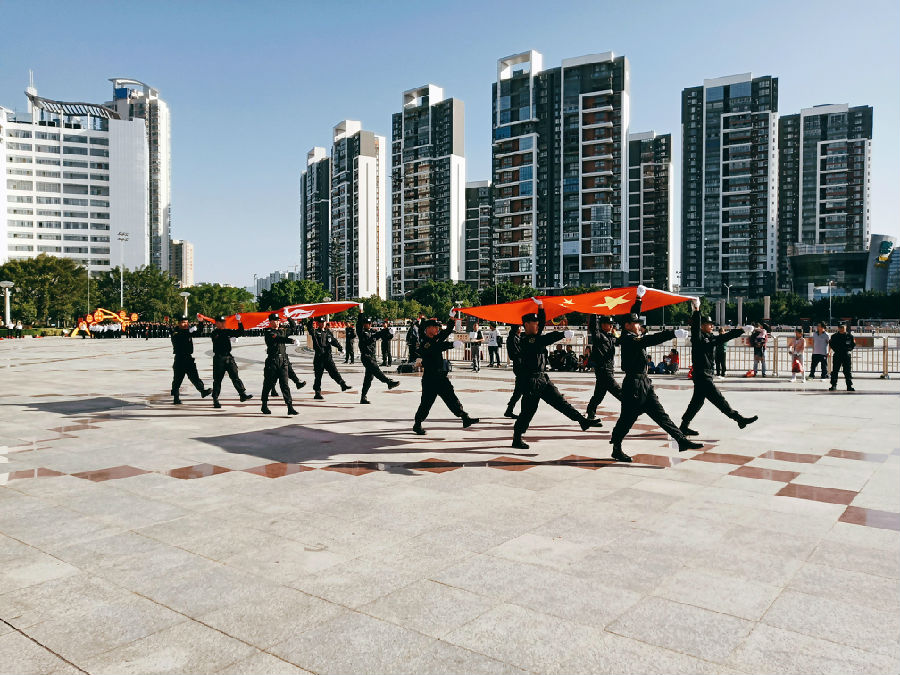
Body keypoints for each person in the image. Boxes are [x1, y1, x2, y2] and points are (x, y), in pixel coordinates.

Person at [609, 287, 704, 462]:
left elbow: (634, 315)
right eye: (636, 324)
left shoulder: (632, 333)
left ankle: (681, 440)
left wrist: (638, 299)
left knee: (661, 415)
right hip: (634, 385)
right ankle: (616, 447)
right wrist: (671, 333)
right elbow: (649, 339)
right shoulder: (628, 339)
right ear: (627, 326)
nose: (639, 326)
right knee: (627, 419)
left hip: (644, 383)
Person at [511, 300, 602, 450]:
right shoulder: (527, 340)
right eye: (534, 323)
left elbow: (541, 323)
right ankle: (517, 438)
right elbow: (545, 339)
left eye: (537, 323)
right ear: (526, 325)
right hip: (530, 381)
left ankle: (582, 421)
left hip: (542, 378)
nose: (537, 325)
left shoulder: (535, 334)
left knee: (561, 402)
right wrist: (562, 334)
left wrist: (541, 307)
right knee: (528, 412)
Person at [679, 304, 758, 437]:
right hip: (702, 375)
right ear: (702, 325)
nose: (712, 326)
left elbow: (724, 337)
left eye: (712, 324)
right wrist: (697, 311)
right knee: (719, 400)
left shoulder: (711, 337)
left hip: (707, 374)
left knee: (696, 403)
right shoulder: (698, 338)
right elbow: (695, 327)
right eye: (709, 324)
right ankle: (739, 419)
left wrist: (742, 330)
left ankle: (683, 426)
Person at [413, 313, 478, 435]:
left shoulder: (435, 338)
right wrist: (451, 345)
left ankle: (464, 417)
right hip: (430, 378)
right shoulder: (425, 342)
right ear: (428, 329)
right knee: (426, 403)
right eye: (435, 327)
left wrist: (451, 319)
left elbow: (446, 332)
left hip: (440, 376)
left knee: (451, 396)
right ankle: (417, 424)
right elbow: (436, 347)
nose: (437, 329)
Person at [356, 309, 400, 404]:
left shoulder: (373, 332)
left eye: (369, 323)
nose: (368, 325)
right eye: (366, 323)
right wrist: (361, 314)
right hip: (366, 356)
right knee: (376, 369)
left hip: (372, 356)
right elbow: (358, 325)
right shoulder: (361, 333)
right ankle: (388, 382)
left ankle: (363, 397)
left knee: (368, 378)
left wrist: (388, 331)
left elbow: (382, 335)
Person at [209, 314, 253, 408]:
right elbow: (218, 339)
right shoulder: (214, 333)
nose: (223, 323)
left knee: (235, 377)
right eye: (221, 322)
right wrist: (228, 337)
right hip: (219, 358)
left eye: (224, 322)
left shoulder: (227, 331)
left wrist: (239, 321)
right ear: (217, 323)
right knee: (217, 380)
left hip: (228, 357)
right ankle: (215, 399)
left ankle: (242, 394)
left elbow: (240, 332)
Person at [585, 314, 622, 420]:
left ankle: (590, 413)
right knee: (618, 392)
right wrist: (594, 313)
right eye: (609, 324)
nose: (611, 326)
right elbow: (593, 327)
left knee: (599, 394)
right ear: (602, 325)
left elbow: (620, 340)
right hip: (603, 370)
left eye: (612, 324)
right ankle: (632, 407)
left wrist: (617, 334)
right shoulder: (598, 336)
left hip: (609, 369)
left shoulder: (611, 337)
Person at [261, 313, 299, 415]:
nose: (277, 322)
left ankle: (290, 407)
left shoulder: (281, 331)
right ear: (270, 321)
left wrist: (289, 317)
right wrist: (291, 341)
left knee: (285, 385)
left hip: (283, 361)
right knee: (268, 385)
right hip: (272, 362)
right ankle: (264, 405)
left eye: (278, 320)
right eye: (275, 320)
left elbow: (293, 328)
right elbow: (278, 338)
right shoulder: (268, 332)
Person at [169, 316, 212, 405]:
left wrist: (200, 322)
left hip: (188, 358)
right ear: (179, 323)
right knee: (177, 379)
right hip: (180, 359)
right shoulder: (175, 332)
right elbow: (180, 337)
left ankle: (202, 391)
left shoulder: (187, 331)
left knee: (195, 377)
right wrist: (188, 332)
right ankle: (176, 397)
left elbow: (199, 332)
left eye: (186, 322)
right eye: (183, 322)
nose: (185, 324)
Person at [307, 317, 351, 400]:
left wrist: (340, 348)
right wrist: (311, 320)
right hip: (319, 357)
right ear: (318, 323)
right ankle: (317, 393)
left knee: (334, 371)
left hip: (327, 356)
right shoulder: (315, 332)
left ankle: (342, 384)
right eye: (320, 322)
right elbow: (309, 328)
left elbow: (334, 341)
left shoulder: (328, 332)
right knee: (318, 376)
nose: (322, 323)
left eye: (323, 322)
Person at [829, 322, 855, 392]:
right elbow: (831, 344)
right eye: (840, 327)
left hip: (846, 355)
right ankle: (833, 385)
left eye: (843, 327)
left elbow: (853, 344)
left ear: (846, 327)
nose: (841, 329)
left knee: (847, 371)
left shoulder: (850, 336)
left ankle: (849, 386)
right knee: (835, 371)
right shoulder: (834, 336)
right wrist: (836, 350)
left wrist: (848, 350)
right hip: (837, 354)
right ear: (838, 328)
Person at [504, 324, 523, 418]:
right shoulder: (513, 338)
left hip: (520, 364)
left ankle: (509, 409)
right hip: (519, 365)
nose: (521, 329)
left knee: (519, 390)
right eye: (520, 327)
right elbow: (516, 352)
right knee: (519, 390)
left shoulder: (515, 337)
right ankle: (510, 410)